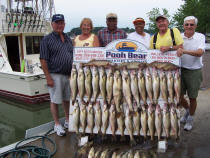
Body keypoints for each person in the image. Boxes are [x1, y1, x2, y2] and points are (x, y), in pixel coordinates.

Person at [40, 14, 73, 136]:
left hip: (68, 75)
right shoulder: (46, 39)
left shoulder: (68, 38)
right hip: (55, 74)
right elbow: (43, 59)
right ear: (52, 24)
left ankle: (68, 120)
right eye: (57, 23)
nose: (60, 25)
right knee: (54, 100)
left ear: (64, 24)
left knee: (66, 100)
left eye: (62, 23)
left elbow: (72, 55)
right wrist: (48, 77)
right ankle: (57, 124)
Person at [177, 16, 205, 131]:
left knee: (193, 97)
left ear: (195, 26)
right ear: (183, 25)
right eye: (187, 24)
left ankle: (190, 118)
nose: (189, 26)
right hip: (180, 70)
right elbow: (173, 48)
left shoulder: (200, 37)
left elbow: (199, 52)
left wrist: (184, 51)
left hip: (194, 71)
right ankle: (188, 111)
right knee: (178, 96)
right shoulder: (179, 37)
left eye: (191, 24)